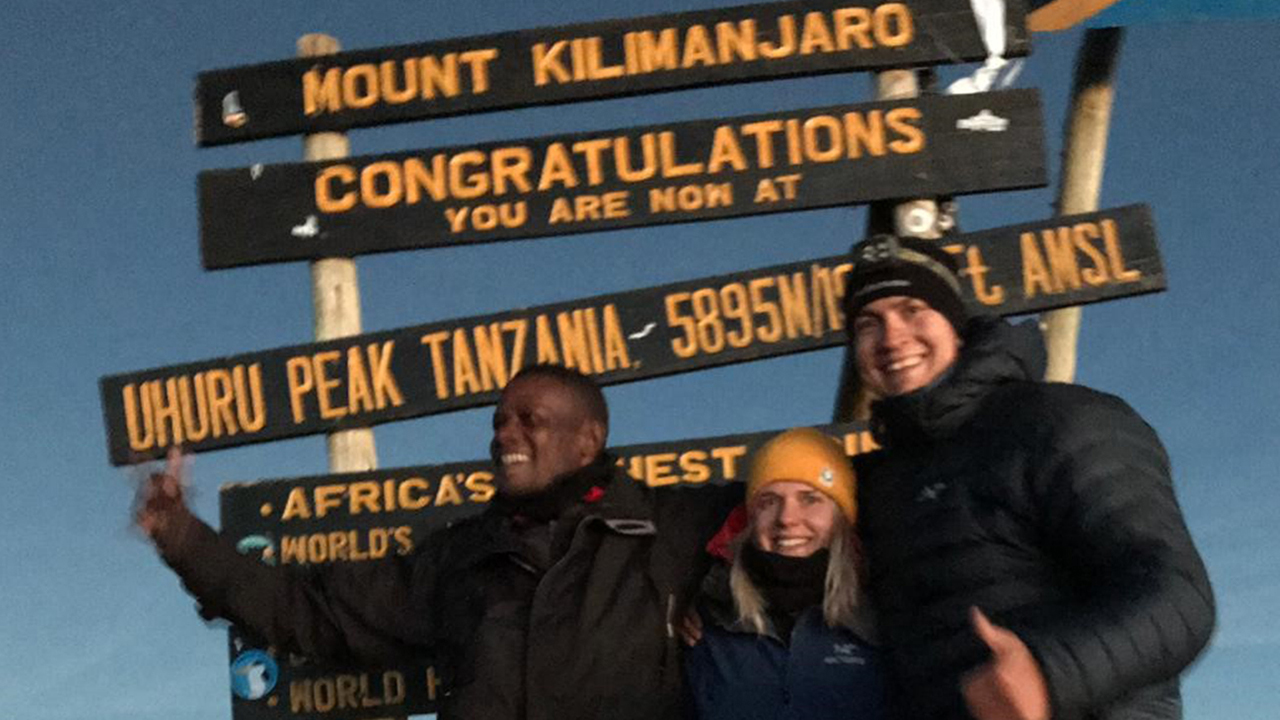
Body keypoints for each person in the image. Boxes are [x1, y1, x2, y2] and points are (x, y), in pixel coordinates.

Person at [136, 363, 740, 720]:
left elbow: (805, 526)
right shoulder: (460, 558)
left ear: (588, 440)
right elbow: (314, 611)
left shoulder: (670, 530)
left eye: (529, 419)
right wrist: (184, 538)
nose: (505, 434)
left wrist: (719, 602)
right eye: (499, 420)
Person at [841, 234, 1215, 720]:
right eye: (869, 323)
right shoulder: (881, 481)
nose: (892, 338)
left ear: (955, 324)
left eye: (912, 309)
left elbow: (1178, 597)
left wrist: (1047, 673)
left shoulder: (1060, 421)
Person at [683, 427, 884, 720]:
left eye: (810, 499)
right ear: (750, 519)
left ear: (842, 517)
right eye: (769, 501)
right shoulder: (707, 622)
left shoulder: (884, 615)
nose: (787, 519)